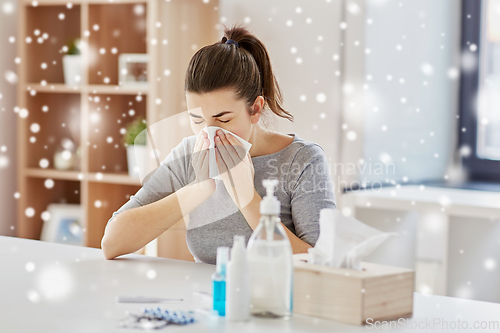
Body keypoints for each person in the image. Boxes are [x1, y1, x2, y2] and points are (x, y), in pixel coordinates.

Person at [101, 24, 336, 264]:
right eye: (197, 119)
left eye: (223, 119)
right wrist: (198, 188)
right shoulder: (188, 153)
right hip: (206, 298)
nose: (208, 132)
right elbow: (112, 242)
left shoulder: (302, 160)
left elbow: (323, 265)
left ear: (255, 109)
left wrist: (248, 198)